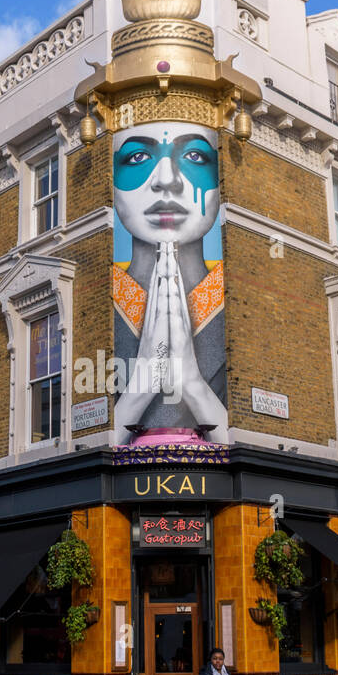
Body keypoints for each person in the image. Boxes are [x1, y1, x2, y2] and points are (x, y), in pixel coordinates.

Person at [112, 121, 227, 443]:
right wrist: (140, 389)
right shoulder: (92, 304)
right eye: (137, 158)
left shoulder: (245, 302)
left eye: (194, 156)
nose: (166, 180)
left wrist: (192, 383)